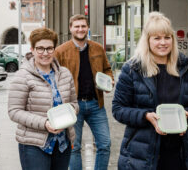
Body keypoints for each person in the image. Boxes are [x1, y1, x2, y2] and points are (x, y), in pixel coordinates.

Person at [112, 12, 188, 170]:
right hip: (141, 153)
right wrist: (145, 116)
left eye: (167, 37)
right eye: (157, 38)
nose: (163, 42)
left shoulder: (186, 68)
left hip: (178, 151)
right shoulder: (133, 69)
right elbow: (118, 109)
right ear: (147, 40)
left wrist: (187, 116)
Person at [8, 27, 78, 170]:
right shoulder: (23, 76)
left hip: (62, 144)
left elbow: (74, 104)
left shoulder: (64, 73)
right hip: (34, 145)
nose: (45, 53)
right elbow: (14, 111)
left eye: (49, 48)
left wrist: (69, 112)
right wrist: (45, 123)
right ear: (32, 49)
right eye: (40, 48)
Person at [54, 14, 114, 170]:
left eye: (83, 26)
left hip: (96, 104)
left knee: (105, 144)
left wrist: (109, 80)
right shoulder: (61, 51)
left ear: (88, 28)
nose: (80, 29)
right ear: (71, 28)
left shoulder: (98, 48)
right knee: (74, 147)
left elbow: (107, 69)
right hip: (73, 106)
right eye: (77, 26)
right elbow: (53, 76)